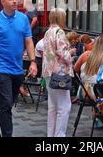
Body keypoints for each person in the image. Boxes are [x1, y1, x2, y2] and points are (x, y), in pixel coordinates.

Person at [0, 0, 37, 137]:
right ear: (3, 2)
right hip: (0, 67)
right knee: (6, 104)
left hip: (17, 68)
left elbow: (28, 41)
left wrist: (33, 61)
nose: (14, 1)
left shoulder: (23, 18)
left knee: (7, 104)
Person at [42, 8, 75, 137]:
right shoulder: (59, 32)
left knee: (53, 106)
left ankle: (51, 134)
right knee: (64, 106)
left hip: (48, 71)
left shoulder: (47, 32)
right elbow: (62, 53)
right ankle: (60, 135)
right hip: (59, 72)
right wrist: (70, 53)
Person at [74, 35, 103, 100]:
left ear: (94, 44)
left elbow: (75, 70)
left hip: (83, 92)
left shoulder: (85, 54)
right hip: (99, 94)